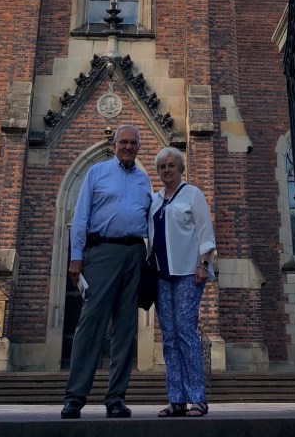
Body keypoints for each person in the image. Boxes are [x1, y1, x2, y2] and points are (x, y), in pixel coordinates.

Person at [62, 124, 151, 419]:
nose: (128, 147)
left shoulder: (144, 180)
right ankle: (75, 397)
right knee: (91, 325)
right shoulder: (96, 173)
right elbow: (81, 216)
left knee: (125, 328)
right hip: (102, 252)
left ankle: (116, 398)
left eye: (133, 143)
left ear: (138, 147)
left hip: (134, 253)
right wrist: (76, 257)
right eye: (123, 142)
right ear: (114, 145)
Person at [148, 146, 216, 418]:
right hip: (161, 275)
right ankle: (176, 399)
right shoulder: (155, 200)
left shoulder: (192, 194)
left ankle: (198, 398)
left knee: (186, 332)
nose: (166, 170)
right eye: (162, 167)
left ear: (180, 168)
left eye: (171, 165)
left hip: (189, 273)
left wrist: (203, 264)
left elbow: (205, 232)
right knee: (169, 336)